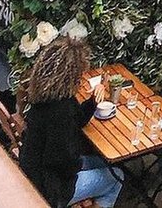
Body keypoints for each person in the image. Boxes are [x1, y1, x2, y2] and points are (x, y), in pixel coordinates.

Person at [18, 35, 122, 208]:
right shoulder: (61, 110)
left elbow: (78, 119)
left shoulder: (46, 96)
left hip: (35, 171)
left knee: (104, 164)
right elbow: (63, 160)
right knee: (117, 176)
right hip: (50, 188)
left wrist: (93, 101)